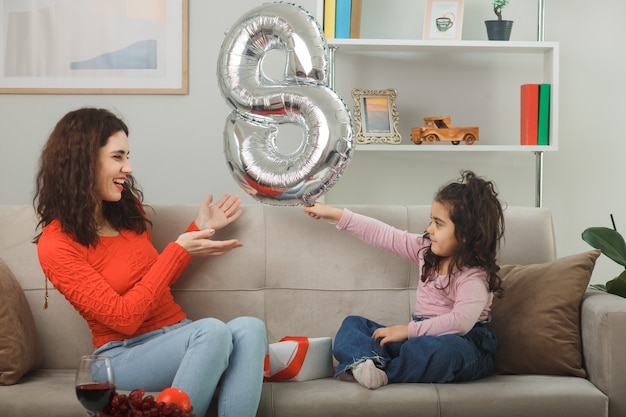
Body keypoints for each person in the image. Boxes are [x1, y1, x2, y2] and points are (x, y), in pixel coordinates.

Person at [33, 108, 267, 417]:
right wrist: (178, 250)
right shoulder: (56, 244)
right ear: (83, 161)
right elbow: (124, 318)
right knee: (211, 331)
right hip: (121, 355)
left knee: (251, 328)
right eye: (118, 157)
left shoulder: (127, 211)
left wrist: (197, 231)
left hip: (177, 334)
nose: (128, 168)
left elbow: (154, 281)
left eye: (127, 156)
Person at [302, 170, 505, 390]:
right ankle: (369, 366)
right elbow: (383, 234)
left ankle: (380, 371)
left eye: (438, 224)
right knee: (354, 325)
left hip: (465, 344)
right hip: (417, 339)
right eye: (431, 221)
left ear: (466, 233)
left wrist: (408, 331)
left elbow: (460, 323)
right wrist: (333, 214)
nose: (429, 229)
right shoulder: (425, 250)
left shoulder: (474, 275)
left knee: (445, 350)